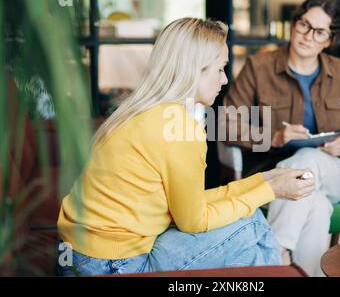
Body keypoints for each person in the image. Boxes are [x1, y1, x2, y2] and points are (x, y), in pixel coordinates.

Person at [56, 17, 316, 276]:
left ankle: (276, 268)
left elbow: (189, 204)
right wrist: (270, 191)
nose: (224, 80)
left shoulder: (141, 111)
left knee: (250, 223)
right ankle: (281, 270)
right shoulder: (179, 130)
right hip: (114, 266)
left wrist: (263, 181)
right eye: (219, 69)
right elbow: (193, 220)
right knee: (251, 226)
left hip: (80, 256)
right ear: (195, 69)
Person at [222, 0, 340, 276]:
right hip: (272, 174)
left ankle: (274, 253)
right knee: (316, 209)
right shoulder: (259, 68)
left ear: (330, 40)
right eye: (304, 25)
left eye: (319, 32)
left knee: (309, 157)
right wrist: (273, 137)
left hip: (333, 172)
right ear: (294, 24)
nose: (308, 35)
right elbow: (226, 124)